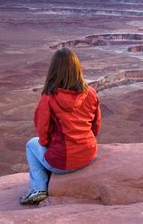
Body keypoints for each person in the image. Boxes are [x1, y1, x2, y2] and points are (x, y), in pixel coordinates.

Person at [19, 48, 102, 205]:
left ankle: (39, 189)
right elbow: (96, 127)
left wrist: (50, 145)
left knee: (31, 144)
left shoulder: (49, 97)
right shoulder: (91, 92)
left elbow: (42, 134)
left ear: (54, 70)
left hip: (63, 162)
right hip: (89, 154)